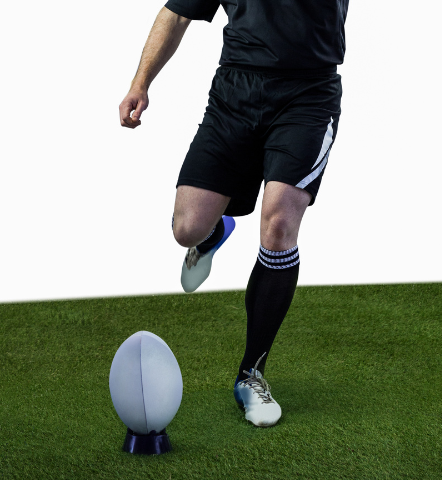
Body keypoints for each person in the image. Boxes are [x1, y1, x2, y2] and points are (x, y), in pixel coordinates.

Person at [119, 0, 349, 428]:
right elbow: (177, 13)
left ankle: (251, 374)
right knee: (186, 228)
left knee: (279, 223)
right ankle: (212, 233)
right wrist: (141, 82)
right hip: (235, 94)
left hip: (308, 95)